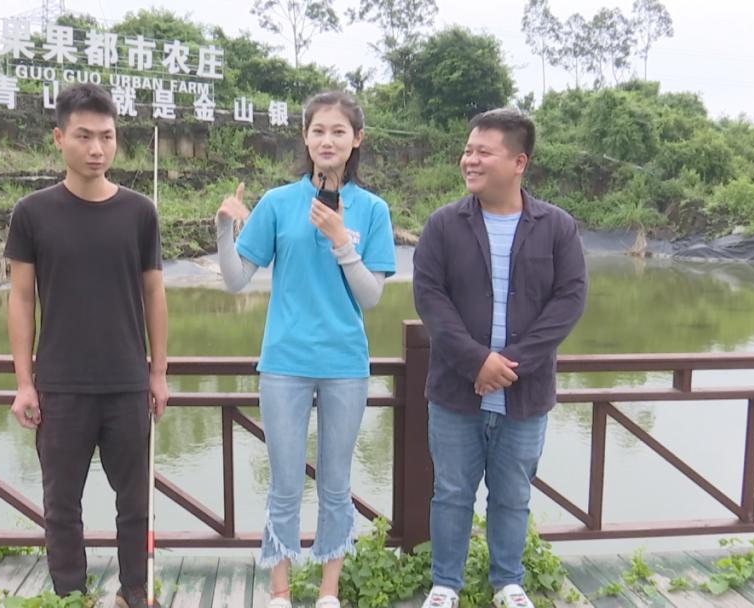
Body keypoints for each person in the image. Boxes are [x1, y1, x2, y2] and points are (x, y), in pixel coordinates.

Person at [214, 91, 396, 608]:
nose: (327, 140)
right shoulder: (277, 203)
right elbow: (236, 281)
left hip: (344, 364)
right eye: (318, 130)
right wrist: (225, 227)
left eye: (339, 131)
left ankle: (328, 592)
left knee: (336, 483)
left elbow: (371, 296)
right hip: (285, 363)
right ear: (305, 137)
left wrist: (342, 240)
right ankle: (280, 591)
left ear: (357, 140)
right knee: (285, 482)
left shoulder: (372, 209)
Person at [412, 109, 587, 608]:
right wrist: (476, 362)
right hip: (456, 391)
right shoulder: (444, 225)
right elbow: (430, 298)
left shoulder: (556, 227)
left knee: (513, 495)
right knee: (451, 492)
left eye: (483, 152)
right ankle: (445, 584)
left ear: (518, 162)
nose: (469, 160)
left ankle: (508, 581)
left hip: (524, 394)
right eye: (468, 150)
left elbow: (569, 301)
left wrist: (508, 364)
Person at [4, 83, 169, 608]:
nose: (97, 148)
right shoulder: (32, 212)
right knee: (61, 506)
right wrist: (24, 383)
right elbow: (21, 299)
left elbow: (154, 294)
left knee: (135, 503)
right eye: (84, 136)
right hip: (60, 385)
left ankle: (135, 591)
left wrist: (158, 373)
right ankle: (70, 595)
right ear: (59, 138)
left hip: (127, 383)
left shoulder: (140, 212)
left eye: (107, 137)